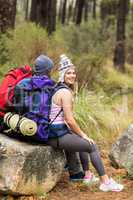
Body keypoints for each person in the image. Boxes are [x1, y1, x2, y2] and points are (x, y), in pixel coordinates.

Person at [45, 54, 124, 192]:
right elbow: (69, 120)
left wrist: (80, 135)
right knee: (91, 145)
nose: (72, 75)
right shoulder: (65, 92)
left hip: (55, 132)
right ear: (62, 75)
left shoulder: (58, 88)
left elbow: (63, 118)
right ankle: (105, 182)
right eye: (68, 73)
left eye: (74, 72)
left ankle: (87, 175)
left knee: (82, 141)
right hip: (56, 135)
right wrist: (83, 134)